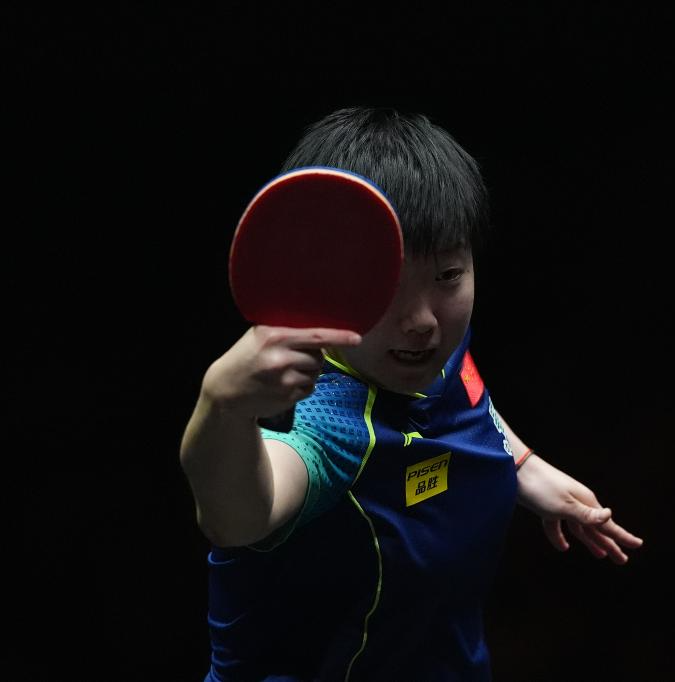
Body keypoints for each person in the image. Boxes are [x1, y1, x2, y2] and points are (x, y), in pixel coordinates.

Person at [180, 106, 643, 682]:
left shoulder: (428, 346)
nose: (423, 320)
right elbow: (239, 518)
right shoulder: (327, 419)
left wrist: (522, 463)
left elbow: (461, 385)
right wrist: (221, 406)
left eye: (447, 275)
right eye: (387, 282)